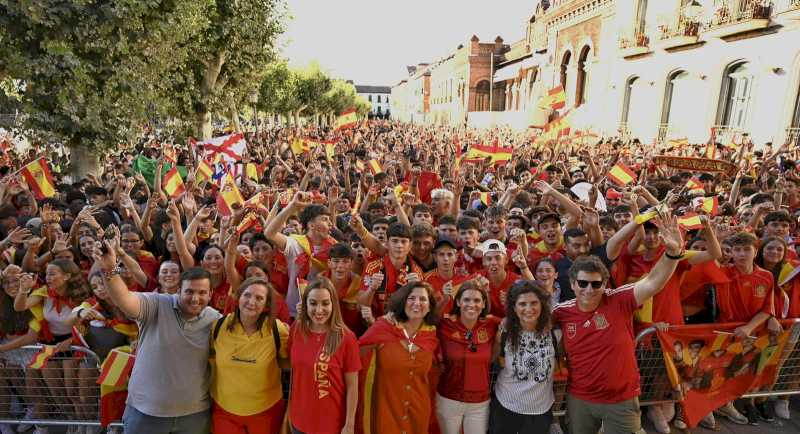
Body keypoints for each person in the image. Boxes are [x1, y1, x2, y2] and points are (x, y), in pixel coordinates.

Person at [553, 215, 684, 434]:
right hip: (580, 399)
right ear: (573, 284)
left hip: (622, 399)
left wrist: (672, 253)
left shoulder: (619, 299)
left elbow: (653, 282)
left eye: (596, 284)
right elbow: (529, 319)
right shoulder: (561, 311)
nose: (589, 289)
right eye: (583, 283)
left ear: (604, 284)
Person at [97, 237, 222, 434]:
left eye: (202, 292)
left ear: (210, 294)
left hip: (195, 415)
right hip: (145, 413)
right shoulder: (155, 304)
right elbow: (123, 298)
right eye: (189, 291)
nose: (195, 298)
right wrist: (109, 269)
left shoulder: (216, 319)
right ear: (179, 290)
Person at [209, 277, 289, 434]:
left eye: (259, 298)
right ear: (238, 297)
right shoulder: (219, 326)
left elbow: (288, 362)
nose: (251, 302)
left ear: (266, 305)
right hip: (224, 410)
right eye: (247, 295)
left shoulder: (277, 330)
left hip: (267, 411)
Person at [358, 281, 439, 434]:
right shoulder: (384, 327)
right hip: (386, 411)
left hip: (418, 411)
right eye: (411, 298)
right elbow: (354, 356)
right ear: (403, 301)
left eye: (423, 299)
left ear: (429, 307)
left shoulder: (431, 335)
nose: (417, 303)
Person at [288, 277, 360, 434]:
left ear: (334, 304)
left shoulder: (346, 338)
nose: (319, 310)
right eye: (313, 303)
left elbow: (353, 386)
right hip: (298, 422)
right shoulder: (296, 330)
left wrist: (349, 424)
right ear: (305, 304)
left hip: (331, 425)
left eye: (325, 303)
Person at [491, 280, 556, 434]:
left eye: (534, 303)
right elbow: (492, 358)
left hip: (541, 411)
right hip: (505, 408)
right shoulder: (505, 332)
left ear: (542, 305)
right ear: (514, 307)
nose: (529, 309)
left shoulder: (553, 330)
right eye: (522, 304)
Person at [436, 280, 499, 434]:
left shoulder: (491, 324)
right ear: (458, 302)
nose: (472, 304)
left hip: (480, 402)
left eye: (477, 300)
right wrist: (444, 298)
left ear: (484, 304)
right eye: (466, 299)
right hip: (448, 399)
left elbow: (519, 319)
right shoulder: (445, 323)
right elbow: (426, 317)